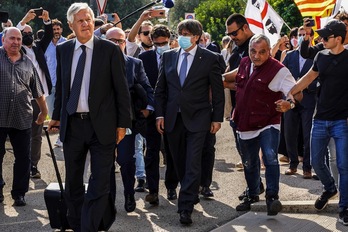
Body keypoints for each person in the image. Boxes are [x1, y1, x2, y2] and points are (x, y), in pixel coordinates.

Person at [48, 3, 132, 231]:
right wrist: (56, 117)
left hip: (102, 127)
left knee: (100, 182)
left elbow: (121, 90)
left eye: (88, 19)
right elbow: (63, 88)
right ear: (70, 25)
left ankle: (88, 227)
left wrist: (123, 124)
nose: (86, 24)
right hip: (73, 126)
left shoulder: (109, 50)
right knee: (73, 183)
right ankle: (77, 224)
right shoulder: (63, 51)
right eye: (80, 20)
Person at [155, 19, 224, 225]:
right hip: (173, 118)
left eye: (187, 33)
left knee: (193, 161)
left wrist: (217, 118)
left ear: (196, 37)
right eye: (180, 33)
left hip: (199, 118)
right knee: (178, 161)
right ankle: (190, 191)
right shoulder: (168, 57)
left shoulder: (210, 58)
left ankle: (185, 207)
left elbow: (218, 93)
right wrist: (160, 115)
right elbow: (161, 89)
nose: (183, 37)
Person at [224, 34, 299, 216]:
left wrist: (289, 104)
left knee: (270, 156)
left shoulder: (279, 70)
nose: (256, 56)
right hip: (244, 122)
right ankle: (253, 193)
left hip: (268, 122)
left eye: (262, 52)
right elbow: (235, 82)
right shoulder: (244, 63)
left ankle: (272, 197)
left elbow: (296, 93)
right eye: (253, 51)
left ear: (269, 52)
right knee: (249, 162)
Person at [288, 19, 348, 226]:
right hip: (320, 119)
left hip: (342, 121)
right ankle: (330, 188)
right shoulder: (321, 56)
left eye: (325, 37)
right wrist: (290, 94)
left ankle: (344, 207)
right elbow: (307, 78)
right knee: (315, 163)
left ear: (338, 39)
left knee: (343, 165)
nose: (321, 40)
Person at [105, 27, 154, 212]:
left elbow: (147, 87)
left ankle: (128, 194)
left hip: (127, 122)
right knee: (105, 163)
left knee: (126, 161)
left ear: (125, 43)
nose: (116, 44)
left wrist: (148, 109)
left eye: (120, 40)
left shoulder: (134, 63)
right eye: (112, 40)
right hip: (102, 123)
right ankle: (108, 200)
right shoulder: (96, 63)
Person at [0, 27, 48, 206]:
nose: (16, 42)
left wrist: (44, 111)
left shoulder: (28, 62)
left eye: (19, 39)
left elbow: (37, 91)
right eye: (12, 38)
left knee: (23, 157)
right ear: (3, 39)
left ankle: (19, 193)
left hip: (22, 117)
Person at [225, 13, 265, 200]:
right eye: (230, 34)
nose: (232, 37)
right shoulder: (237, 50)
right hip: (238, 109)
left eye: (234, 33)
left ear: (245, 27)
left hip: (254, 109)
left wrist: (222, 80)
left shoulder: (255, 47)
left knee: (250, 152)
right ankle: (255, 185)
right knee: (244, 152)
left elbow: (243, 77)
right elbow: (232, 78)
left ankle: (254, 190)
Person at [138, 24, 178, 205]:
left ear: (170, 41)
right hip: (151, 111)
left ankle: (171, 187)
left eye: (164, 43)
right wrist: (147, 106)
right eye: (158, 44)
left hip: (172, 111)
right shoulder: (144, 58)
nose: (161, 46)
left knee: (171, 151)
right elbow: (140, 84)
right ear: (152, 42)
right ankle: (153, 190)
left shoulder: (177, 56)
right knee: (151, 151)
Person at [16, 9, 53, 179]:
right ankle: (22, 162)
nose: (28, 35)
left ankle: (33, 165)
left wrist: (47, 21)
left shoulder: (38, 47)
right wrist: (24, 19)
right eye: (25, 33)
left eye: (30, 33)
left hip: (39, 98)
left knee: (36, 134)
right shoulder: (17, 50)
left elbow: (48, 34)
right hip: (22, 98)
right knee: (23, 133)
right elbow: (14, 32)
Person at [282, 27, 316, 179]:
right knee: (290, 132)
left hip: (309, 100)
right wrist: (292, 90)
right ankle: (293, 164)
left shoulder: (315, 55)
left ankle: (307, 167)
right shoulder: (289, 56)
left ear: (311, 37)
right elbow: (282, 75)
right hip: (291, 99)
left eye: (305, 35)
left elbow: (319, 77)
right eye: (299, 35)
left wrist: (305, 86)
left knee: (308, 133)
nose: (301, 37)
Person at [44, 18, 67, 148]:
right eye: (54, 29)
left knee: (64, 111)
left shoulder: (67, 43)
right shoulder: (46, 45)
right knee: (53, 112)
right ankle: (61, 133)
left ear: (62, 30)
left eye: (58, 29)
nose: (56, 31)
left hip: (64, 84)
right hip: (50, 84)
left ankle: (61, 137)